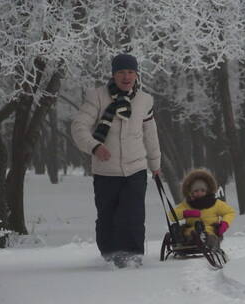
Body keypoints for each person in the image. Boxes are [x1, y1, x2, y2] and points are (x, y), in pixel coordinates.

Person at [71, 54, 161, 268]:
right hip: (106, 171)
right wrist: (94, 146)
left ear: (137, 74)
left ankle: (133, 257)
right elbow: (78, 127)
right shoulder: (98, 97)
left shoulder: (144, 101)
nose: (126, 76)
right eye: (121, 72)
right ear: (113, 74)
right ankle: (110, 258)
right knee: (108, 217)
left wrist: (155, 165)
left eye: (130, 72)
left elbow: (151, 134)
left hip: (136, 168)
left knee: (133, 215)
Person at [170, 169, 235, 249]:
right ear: (191, 192)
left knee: (210, 238)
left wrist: (225, 224)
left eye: (202, 190)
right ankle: (188, 240)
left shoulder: (215, 203)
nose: (199, 193)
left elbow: (229, 212)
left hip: (210, 231)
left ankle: (204, 240)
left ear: (207, 191)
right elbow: (171, 215)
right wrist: (186, 213)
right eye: (196, 191)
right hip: (191, 231)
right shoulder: (187, 204)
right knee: (187, 234)